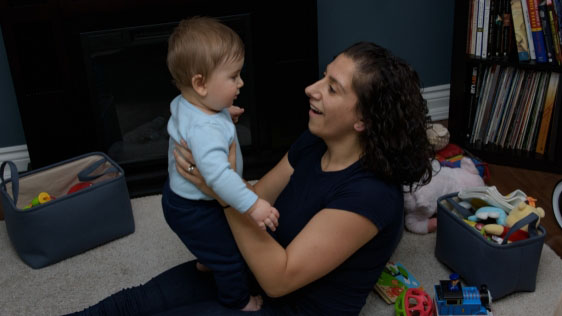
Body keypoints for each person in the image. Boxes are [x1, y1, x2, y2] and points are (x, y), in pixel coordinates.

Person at [67, 41, 433, 316]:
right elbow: (260, 194)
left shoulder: (370, 196)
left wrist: (221, 193)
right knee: (137, 302)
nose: (312, 88)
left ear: (363, 121)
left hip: (286, 305)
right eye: (323, 75)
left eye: (332, 88)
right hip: (248, 262)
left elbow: (279, 279)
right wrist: (217, 146)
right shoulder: (314, 141)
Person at [163, 16, 279, 311]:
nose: (241, 82)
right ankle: (239, 301)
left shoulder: (191, 104)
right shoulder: (206, 130)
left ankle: (206, 258)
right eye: (233, 77)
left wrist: (225, 112)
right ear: (200, 84)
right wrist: (254, 205)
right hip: (196, 208)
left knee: (214, 239)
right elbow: (217, 178)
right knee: (231, 254)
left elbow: (196, 119)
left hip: (179, 200)